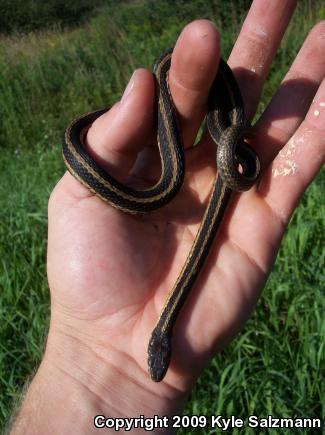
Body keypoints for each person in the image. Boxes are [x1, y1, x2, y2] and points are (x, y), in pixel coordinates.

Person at [10, 0, 324, 433]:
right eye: (159, 357)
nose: (157, 363)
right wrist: (92, 360)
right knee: (184, 167)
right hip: (217, 147)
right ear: (164, 340)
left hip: (221, 136)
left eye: (155, 359)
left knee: (192, 147)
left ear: (163, 340)